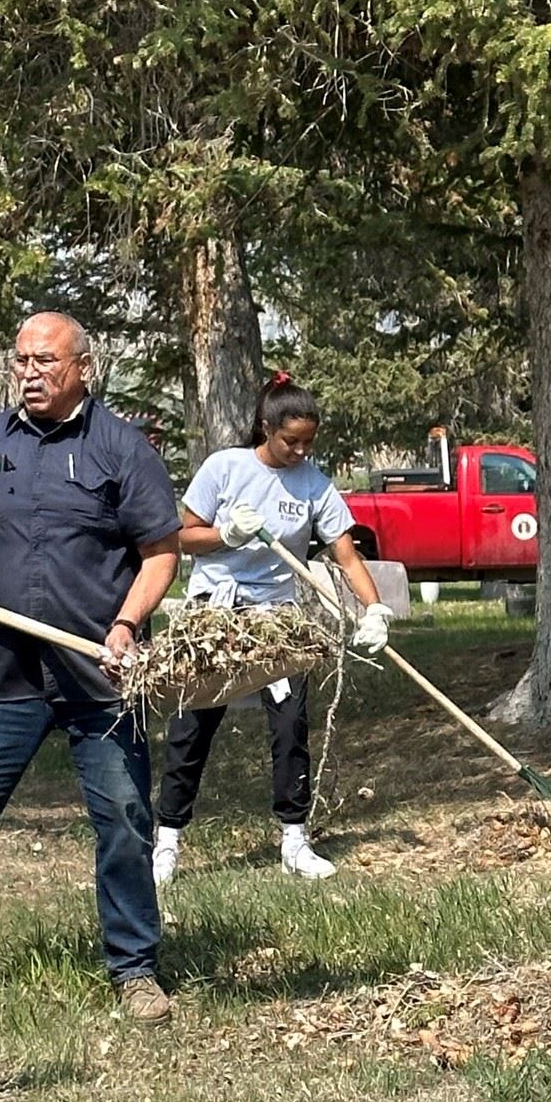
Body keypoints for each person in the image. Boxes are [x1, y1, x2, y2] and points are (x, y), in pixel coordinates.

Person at [0, 312, 181, 1024]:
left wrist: (126, 625)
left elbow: (160, 554)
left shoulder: (122, 447)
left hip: (98, 676)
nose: (29, 372)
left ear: (83, 367)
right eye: (22, 359)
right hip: (5, 671)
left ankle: (134, 966)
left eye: (45, 360)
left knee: (123, 818)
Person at [152, 373, 392, 884]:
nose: (301, 452)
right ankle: (166, 841)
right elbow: (180, 537)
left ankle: (294, 840)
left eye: (308, 442)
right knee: (193, 727)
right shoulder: (225, 468)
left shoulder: (313, 484)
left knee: (289, 726)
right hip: (215, 614)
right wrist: (226, 534)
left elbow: (346, 556)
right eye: (291, 441)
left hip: (276, 618)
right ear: (266, 427)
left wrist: (374, 609)